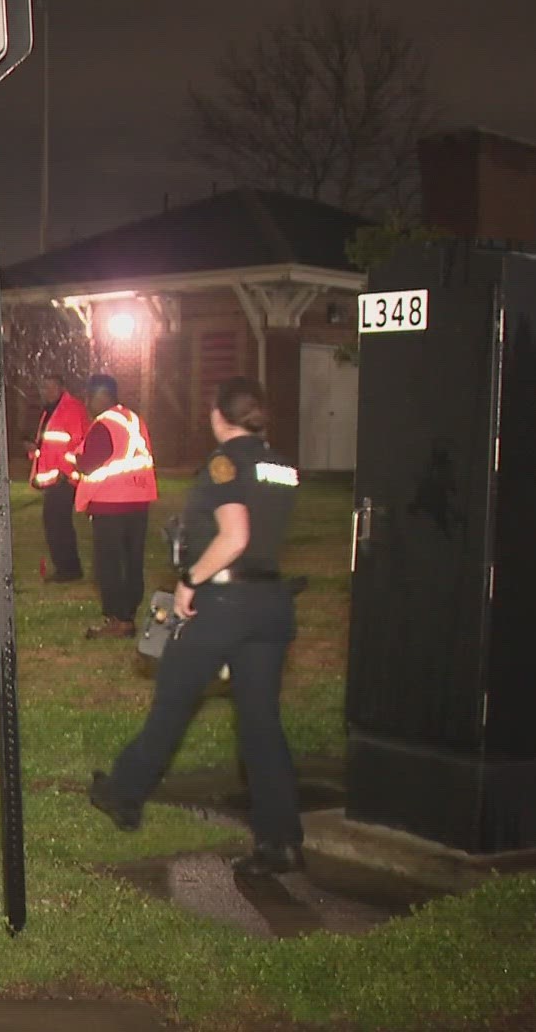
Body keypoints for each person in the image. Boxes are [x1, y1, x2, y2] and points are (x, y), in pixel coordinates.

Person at [88, 376, 306, 877]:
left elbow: (235, 535)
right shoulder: (282, 467)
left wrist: (189, 580)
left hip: (225, 602)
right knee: (261, 726)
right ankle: (281, 840)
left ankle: (124, 794)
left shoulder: (223, 464)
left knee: (173, 700)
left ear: (218, 415)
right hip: (273, 604)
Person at [73, 374, 157, 639]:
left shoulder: (104, 425)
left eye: (89, 397)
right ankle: (128, 615)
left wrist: (76, 458)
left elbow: (89, 464)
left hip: (111, 505)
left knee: (109, 564)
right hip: (138, 500)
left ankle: (117, 619)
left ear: (100, 396)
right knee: (132, 561)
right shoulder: (134, 420)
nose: (87, 403)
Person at [28, 371, 89, 582]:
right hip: (55, 478)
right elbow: (49, 445)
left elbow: (78, 445)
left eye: (51, 387)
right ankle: (67, 567)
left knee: (58, 523)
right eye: (44, 387)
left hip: (63, 479)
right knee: (56, 523)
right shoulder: (51, 411)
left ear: (61, 387)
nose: (46, 392)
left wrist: (67, 473)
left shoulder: (70, 409)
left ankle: (69, 569)